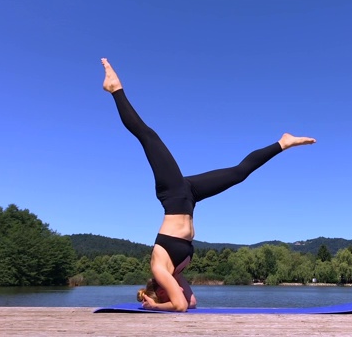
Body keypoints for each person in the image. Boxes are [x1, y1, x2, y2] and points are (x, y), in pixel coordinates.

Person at [100, 58, 316, 312]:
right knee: (238, 173)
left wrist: (154, 307)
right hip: (188, 196)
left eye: (167, 292)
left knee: (149, 137)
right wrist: (170, 300)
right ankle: (283, 142)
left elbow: (179, 305)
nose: (178, 288)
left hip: (173, 195)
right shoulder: (176, 272)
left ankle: (115, 89)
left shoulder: (160, 270)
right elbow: (189, 302)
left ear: (159, 290)